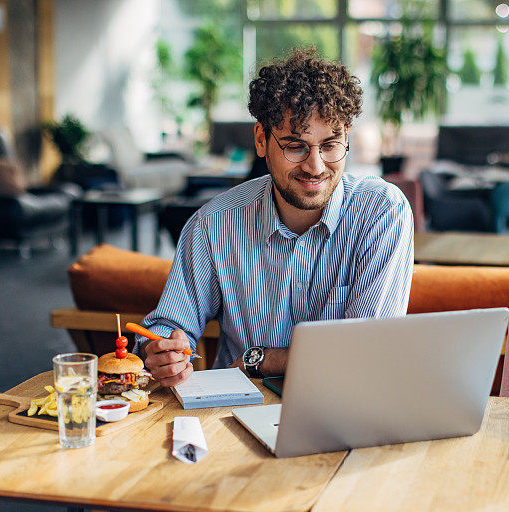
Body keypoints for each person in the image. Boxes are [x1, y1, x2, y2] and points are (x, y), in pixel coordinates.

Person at [137, 47, 414, 388]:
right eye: (295, 146)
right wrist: (162, 351)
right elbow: (167, 327)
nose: (315, 167)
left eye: (330, 145)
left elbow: (363, 351)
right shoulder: (214, 224)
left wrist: (263, 359)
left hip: (341, 405)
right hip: (234, 410)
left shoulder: (382, 212)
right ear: (261, 140)